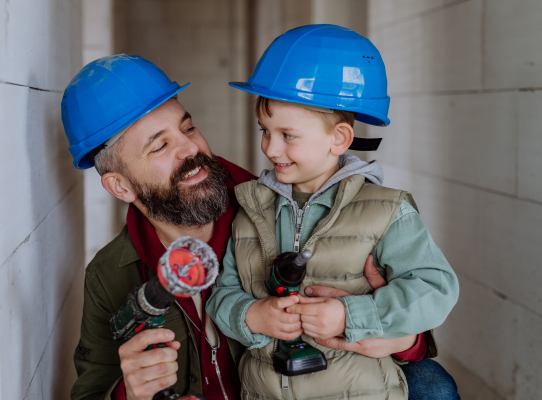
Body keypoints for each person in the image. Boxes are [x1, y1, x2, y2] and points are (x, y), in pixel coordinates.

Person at [62, 54, 459, 400]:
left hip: (339, 380)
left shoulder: (270, 213)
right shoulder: (110, 277)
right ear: (121, 185)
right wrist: (129, 393)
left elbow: (412, 297)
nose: (191, 149)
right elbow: (90, 390)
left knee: (430, 385)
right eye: (160, 146)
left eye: (187, 128)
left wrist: (407, 341)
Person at [206, 25, 460, 400]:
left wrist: (350, 317)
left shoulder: (386, 211)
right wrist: (251, 315)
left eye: (287, 135)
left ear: (338, 139)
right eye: (265, 130)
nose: (270, 149)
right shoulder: (252, 210)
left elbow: (435, 289)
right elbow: (222, 293)